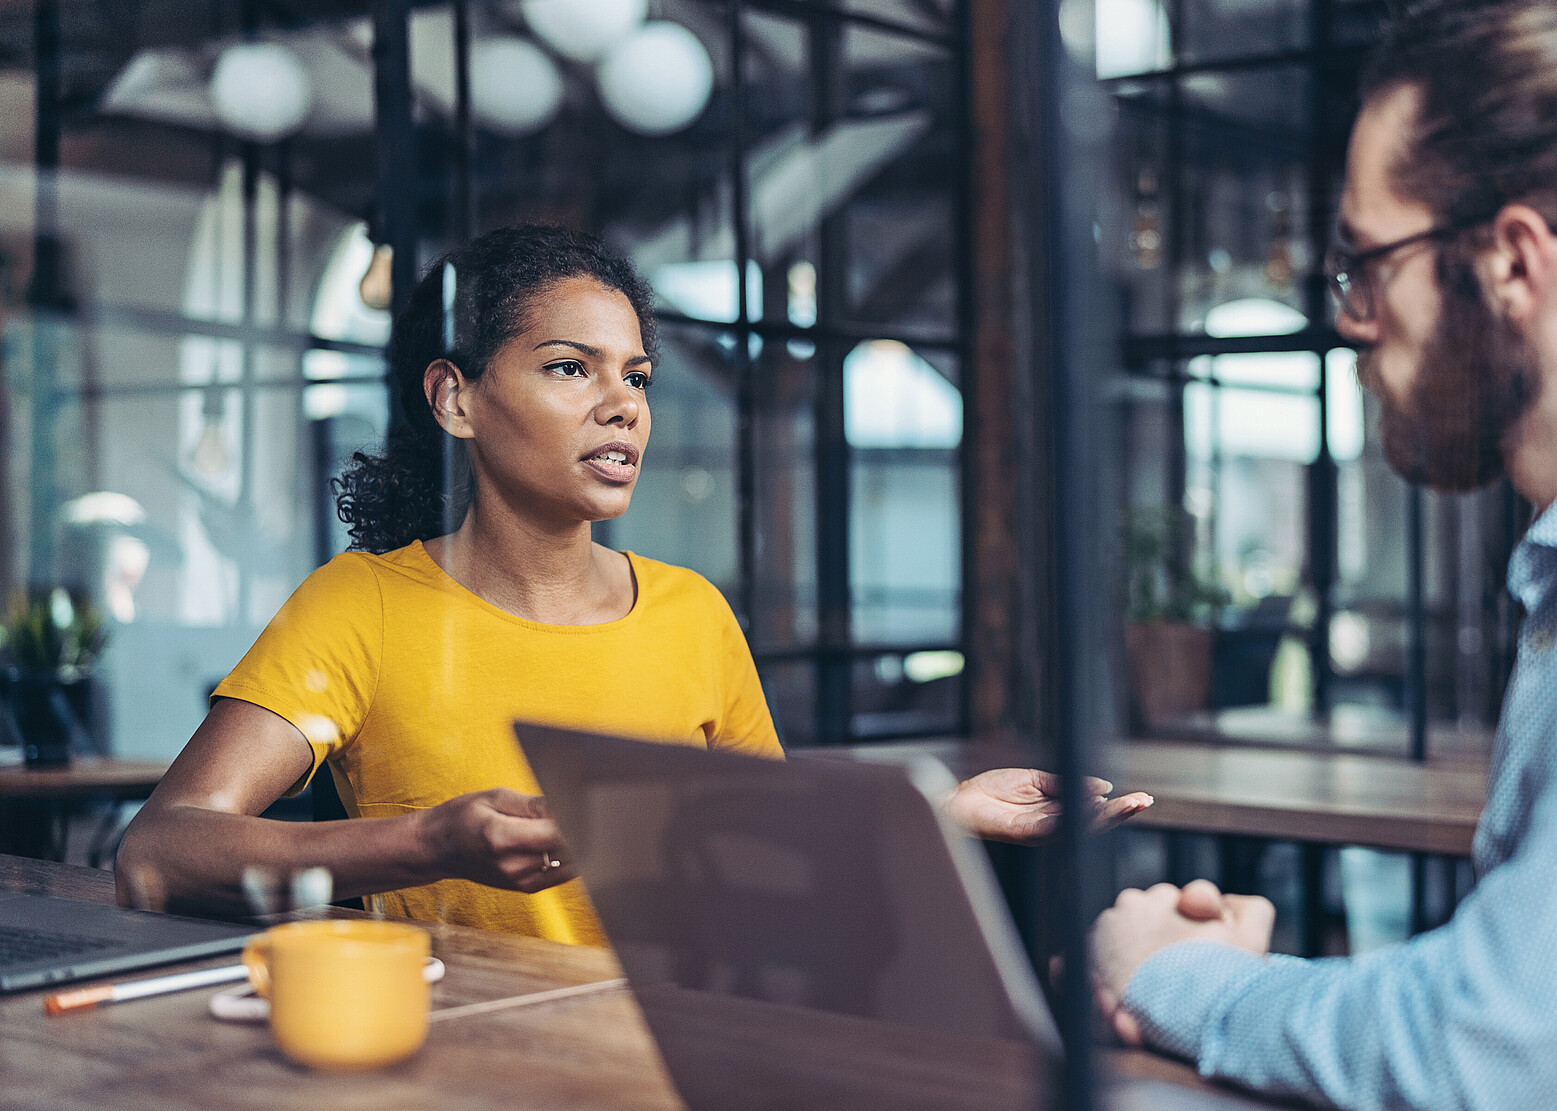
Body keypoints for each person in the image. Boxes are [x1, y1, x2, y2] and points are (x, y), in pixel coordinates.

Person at [1092, 0, 1557, 1111]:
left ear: (1514, 260)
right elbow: (1534, 989)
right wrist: (1274, 990)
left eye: (1370, 262)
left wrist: (1177, 977)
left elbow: (1506, 1059)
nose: (1355, 323)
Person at [117, 225, 1150, 943]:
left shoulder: (693, 612)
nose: (624, 405)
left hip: (689, 1058)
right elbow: (160, 852)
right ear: (456, 398)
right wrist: (428, 843)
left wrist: (941, 810)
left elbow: (771, 842)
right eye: (573, 368)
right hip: (457, 1068)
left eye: (639, 377)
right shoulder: (362, 605)